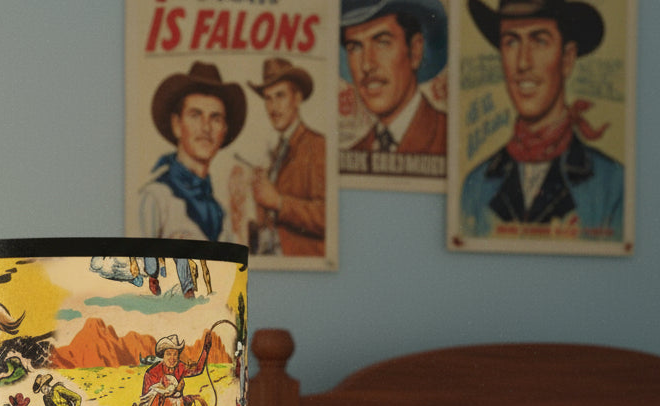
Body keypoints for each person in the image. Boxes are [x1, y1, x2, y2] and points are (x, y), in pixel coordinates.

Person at [460, 0, 623, 239]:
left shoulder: (612, 184)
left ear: (567, 58)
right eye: (511, 42)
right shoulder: (475, 185)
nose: (523, 62)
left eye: (539, 40)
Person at [139, 61, 246, 242]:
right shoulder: (155, 198)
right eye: (195, 115)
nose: (206, 128)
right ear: (177, 125)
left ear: (224, 130)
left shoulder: (221, 214)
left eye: (215, 118)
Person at [341, 0, 448, 159]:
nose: (367, 65)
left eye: (382, 42)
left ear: (415, 50)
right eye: (355, 47)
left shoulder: (447, 136)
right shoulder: (355, 152)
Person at [248, 58, 327, 257]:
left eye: (280, 96)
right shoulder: (277, 152)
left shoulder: (317, 146)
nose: (273, 107)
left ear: (298, 98)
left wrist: (279, 202)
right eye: (268, 98)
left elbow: (328, 216)